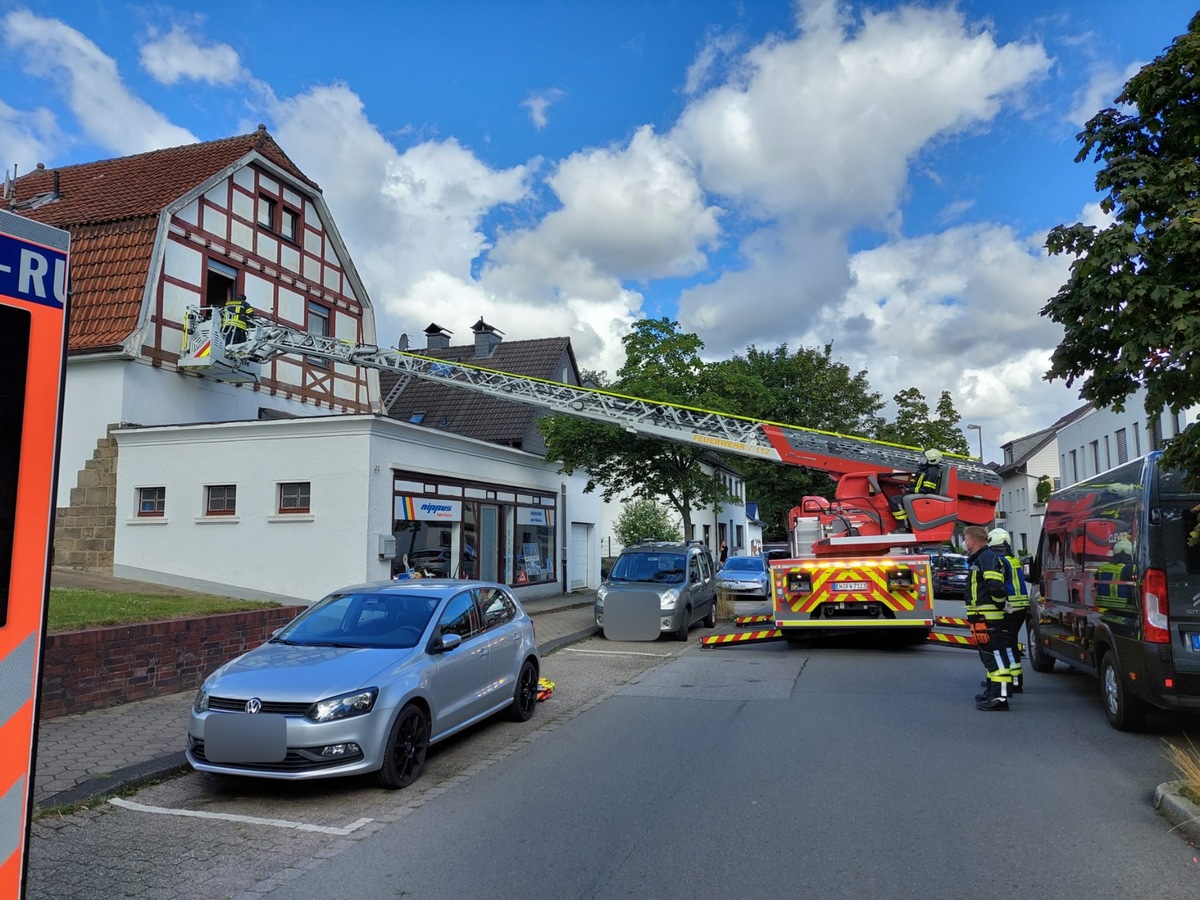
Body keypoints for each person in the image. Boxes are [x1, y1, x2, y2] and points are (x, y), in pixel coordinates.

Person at [963, 525, 1011, 711]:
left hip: (989, 617)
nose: (964, 542)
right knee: (989, 657)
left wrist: (1000, 605)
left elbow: (996, 587)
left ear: (972, 541)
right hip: (982, 617)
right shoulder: (981, 558)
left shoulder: (987, 558)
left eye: (966, 538)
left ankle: (1000, 698)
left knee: (996, 657)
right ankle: (993, 692)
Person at [988, 527, 1030, 694]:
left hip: (1010, 608)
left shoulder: (998, 561)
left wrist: (1001, 604)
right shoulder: (1012, 559)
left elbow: (998, 586)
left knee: (1005, 645)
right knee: (1011, 643)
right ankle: (1015, 679)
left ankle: (1010, 682)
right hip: (1020, 607)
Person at [889, 448, 944, 532]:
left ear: (931, 459)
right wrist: (908, 488)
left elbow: (927, 489)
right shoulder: (926, 470)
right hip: (919, 494)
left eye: (924, 458)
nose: (922, 460)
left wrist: (909, 490)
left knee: (895, 500)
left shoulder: (931, 471)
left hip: (924, 496)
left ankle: (904, 527)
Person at [1097, 538, 1136, 610]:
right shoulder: (1131, 569)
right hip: (1124, 609)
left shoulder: (1102, 567)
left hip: (1103, 608)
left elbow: (1096, 584)